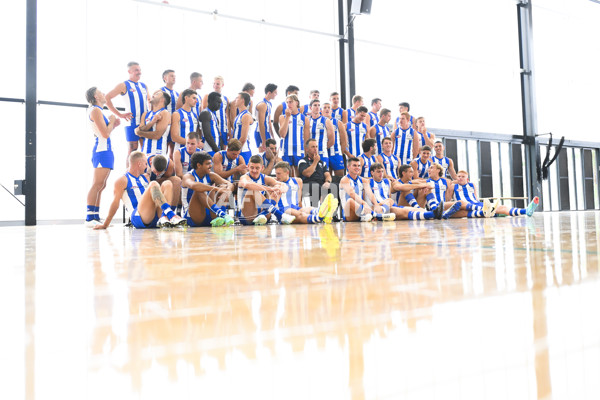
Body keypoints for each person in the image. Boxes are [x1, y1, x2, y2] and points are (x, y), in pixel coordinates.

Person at [94, 151, 185, 229]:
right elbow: (115, 204)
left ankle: (164, 217)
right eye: (146, 163)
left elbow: (154, 196)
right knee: (153, 184)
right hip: (138, 216)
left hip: (153, 215)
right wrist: (105, 224)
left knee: (167, 183)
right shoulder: (122, 180)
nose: (146, 167)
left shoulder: (145, 177)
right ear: (139, 164)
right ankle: (171, 215)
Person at [84, 87, 120, 227]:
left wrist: (113, 125)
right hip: (102, 150)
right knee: (97, 184)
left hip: (105, 149)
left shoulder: (97, 111)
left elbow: (105, 132)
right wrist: (111, 121)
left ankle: (95, 216)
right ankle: (89, 217)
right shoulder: (95, 110)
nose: (104, 93)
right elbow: (105, 134)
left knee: (101, 185)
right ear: (95, 96)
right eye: (101, 92)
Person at [369, 163, 448, 221]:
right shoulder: (395, 182)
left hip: (397, 206)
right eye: (410, 172)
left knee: (424, 191)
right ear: (404, 173)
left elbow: (429, 183)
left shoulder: (409, 182)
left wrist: (427, 186)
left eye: (382, 171)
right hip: (392, 206)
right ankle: (434, 213)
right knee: (405, 191)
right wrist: (420, 185)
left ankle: (435, 210)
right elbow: (399, 187)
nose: (413, 174)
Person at [105, 61, 150, 157]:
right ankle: (128, 172)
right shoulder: (124, 85)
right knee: (132, 150)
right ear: (129, 71)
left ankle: (144, 172)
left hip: (145, 122)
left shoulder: (144, 86)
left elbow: (149, 101)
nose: (139, 72)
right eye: (136, 70)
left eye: (140, 70)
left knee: (145, 149)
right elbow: (107, 98)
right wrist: (120, 115)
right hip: (131, 122)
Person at [181, 152, 235, 227]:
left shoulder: (211, 175)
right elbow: (194, 185)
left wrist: (227, 191)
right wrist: (216, 188)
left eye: (210, 163)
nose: (211, 166)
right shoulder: (188, 176)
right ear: (199, 165)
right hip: (192, 215)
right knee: (199, 189)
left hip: (209, 212)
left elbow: (229, 184)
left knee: (223, 187)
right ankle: (223, 215)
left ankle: (223, 216)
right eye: (207, 164)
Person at [454, 170, 539, 217]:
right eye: (459, 176)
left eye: (463, 176)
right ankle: (525, 211)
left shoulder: (472, 185)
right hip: (467, 206)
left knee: (501, 208)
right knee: (499, 209)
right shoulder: (453, 186)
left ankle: (525, 211)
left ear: (467, 179)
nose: (460, 178)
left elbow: (476, 198)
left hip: (476, 204)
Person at [237, 155, 294, 225]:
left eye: (257, 168)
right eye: (252, 167)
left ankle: (263, 216)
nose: (254, 170)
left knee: (277, 190)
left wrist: (280, 189)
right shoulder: (244, 177)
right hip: (246, 215)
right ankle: (279, 215)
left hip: (261, 214)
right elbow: (247, 185)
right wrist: (269, 188)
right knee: (252, 190)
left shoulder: (265, 178)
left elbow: (284, 185)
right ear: (248, 166)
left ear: (262, 168)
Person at [339, 157, 379, 222]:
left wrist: (376, 205)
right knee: (350, 201)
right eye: (354, 165)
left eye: (359, 166)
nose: (357, 168)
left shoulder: (363, 180)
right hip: (348, 213)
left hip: (361, 209)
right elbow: (352, 194)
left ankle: (365, 216)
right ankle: (375, 215)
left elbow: (370, 194)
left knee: (387, 201)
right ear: (348, 167)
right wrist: (364, 203)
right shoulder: (345, 180)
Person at [278, 94, 310, 176]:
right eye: (287, 102)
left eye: (291, 102)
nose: (289, 104)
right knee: (287, 176)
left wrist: (307, 153)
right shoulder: (283, 117)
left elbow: (307, 139)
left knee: (299, 176)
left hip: (299, 150)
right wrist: (288, 117)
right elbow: (282, 134)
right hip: (286, 150)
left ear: (296, 103)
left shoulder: (304, 118)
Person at [298, 138, 333, 207]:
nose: (315, 149)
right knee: (315, 186)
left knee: (335, 187)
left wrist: (327, 182)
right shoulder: (303, 161)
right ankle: (316, 211)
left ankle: (332, 214)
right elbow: (307, 174)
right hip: (308, 183)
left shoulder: (322, 163)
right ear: (307, 149)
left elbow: (328, 175)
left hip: (321, 183)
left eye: (316, 147)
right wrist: (315, 162)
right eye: (313, 147)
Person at [136, 90, 171, 156]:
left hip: (158, 153)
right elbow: (141, 129)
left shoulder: (165, 113)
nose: (153, 95)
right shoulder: (145, 114)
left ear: (162, 100)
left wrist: (140, 133)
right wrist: (152, 122)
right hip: (144, 152)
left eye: (157, 94)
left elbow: (157, 135)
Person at [304, 99, 334, 169]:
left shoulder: (326, 120)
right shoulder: (307, 121)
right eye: (315, 105)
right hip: (310, 155)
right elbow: (306, 138)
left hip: (323, 154)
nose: (317, 107)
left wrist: (322, 148)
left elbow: (332, 140)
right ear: (310, 108)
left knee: (324, 175)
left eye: (318, 105)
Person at [202, 76, 230, 149]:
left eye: (217, 84)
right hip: (212, 126)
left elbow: (227, 115)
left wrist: (229, 130)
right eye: (214, 83)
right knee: (211, 147)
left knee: (223, 149)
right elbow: (204, 112)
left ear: (222, 85)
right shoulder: (207, 96)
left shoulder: (225, 98)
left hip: (223, 127)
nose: (215, 86)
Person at [322, 102, 348, 177]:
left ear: (331, 111)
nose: (327, 109)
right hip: (324, 154)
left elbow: (344, 141)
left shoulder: (338, 123)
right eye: (324, 107)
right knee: (326, 178)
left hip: (336, 154)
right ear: (321, 110)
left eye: (328, 107)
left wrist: (340, 152)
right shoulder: (318, 122)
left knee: (339, 178)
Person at [170, 88, 198, 154]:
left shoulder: (194, 115)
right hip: (180, 152)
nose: (196, 101)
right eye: (193, 98)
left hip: (194, 152)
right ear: (186, 98)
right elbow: (174, 137)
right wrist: (192, 144)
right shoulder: (177, 114)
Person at [231, 92, 254, 163]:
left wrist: (235, 150)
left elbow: (243, 137)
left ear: (242, 100)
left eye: (237, 98)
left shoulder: (246, 115)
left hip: (243, 151)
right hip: (237, 150)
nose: (235, 100)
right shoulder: (239, 115)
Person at [254, 83, 278, 152]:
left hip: (267, 131)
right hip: (260, 132)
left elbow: (269, 121)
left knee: (271, 154)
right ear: (269, 93)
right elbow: (261, 123)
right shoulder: (262, 104)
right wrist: (264, 140)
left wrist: (272, 135)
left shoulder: (269, 103)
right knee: (263, 154)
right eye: (275, 93)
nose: (276, 94)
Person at [197, 92, 222, 156]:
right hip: (209, 150)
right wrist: (217, 150)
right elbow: (207, 135)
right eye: (218, 102)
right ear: (210, 101)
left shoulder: (213, 115)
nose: (219, 105)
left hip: (214, 149)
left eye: (220, 103)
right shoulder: (206, 113)